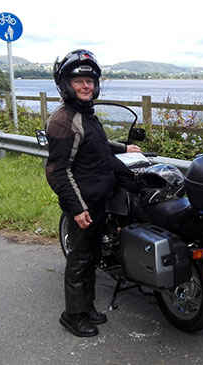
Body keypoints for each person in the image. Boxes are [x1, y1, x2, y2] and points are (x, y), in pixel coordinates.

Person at [44, 49, 140, 337]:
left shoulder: (85, 115)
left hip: (98, 199)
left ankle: (87, 307)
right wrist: (77, 207)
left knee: (93, 255)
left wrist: (124, 148)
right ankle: (73, 315)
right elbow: (58, 171)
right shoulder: (63, 120)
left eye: (90, 80)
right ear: (66, 85)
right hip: (83, 203)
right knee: (80, 259)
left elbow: (96, 144)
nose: (86, 86)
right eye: (78, 81)